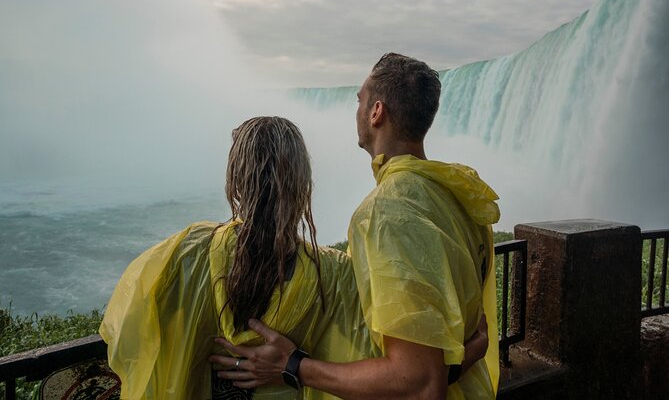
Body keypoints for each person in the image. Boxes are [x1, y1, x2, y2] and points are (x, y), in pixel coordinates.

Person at [100, 116, 490, 399]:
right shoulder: (334, 275)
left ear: (236, 181)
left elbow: (133, 334)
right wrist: (471, 349)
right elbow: (400, 370)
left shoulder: (185, 255)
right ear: (303, 184)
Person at [212, 53, 501, 399]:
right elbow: (447, 344)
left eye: (360, 101)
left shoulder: (387, 214)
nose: (357, 110)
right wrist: (472, 351)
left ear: (376, 112)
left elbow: (420, 382)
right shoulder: (458, 196)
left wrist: (291, 366)